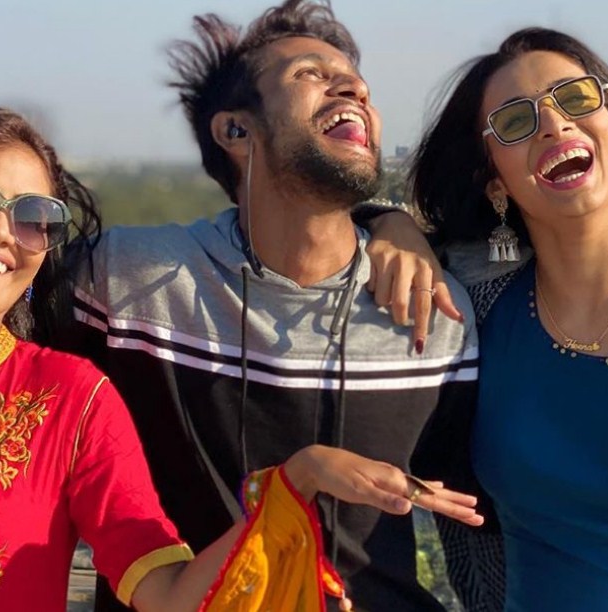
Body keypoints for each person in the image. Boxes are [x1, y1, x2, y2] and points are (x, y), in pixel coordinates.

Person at [0, 103, 483, 611]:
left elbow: (167, 594)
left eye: (35, 217)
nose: (1, 231)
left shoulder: (70, 400)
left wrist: (299, 479)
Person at [70, 1, 482, 610]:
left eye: (359, 84)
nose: (355, 88)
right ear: (236, 132)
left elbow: (482, 526)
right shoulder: (128, 283)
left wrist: (392, 223)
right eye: (310, 74)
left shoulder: (435, 309)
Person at [410, 27, 608, 610]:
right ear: (495, 183)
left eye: (575, 99)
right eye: (515, 122)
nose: (554, 124)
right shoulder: (475, 315)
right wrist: (389, 228)